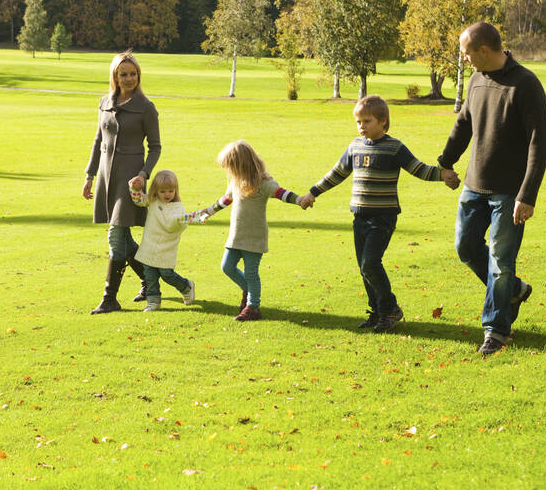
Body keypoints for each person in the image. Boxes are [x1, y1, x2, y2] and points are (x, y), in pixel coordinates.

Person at [298, 95, 460, 332]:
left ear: (383, 121)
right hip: (360, 217)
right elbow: (336, 173)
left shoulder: (394, 147)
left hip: (383, 217)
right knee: (364, 268)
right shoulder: (354, 146)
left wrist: (442, 175)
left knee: (371, 263)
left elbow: (419, 169)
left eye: (367, 121)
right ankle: (377, 312)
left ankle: (390, 310)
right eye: (358, 122)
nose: (361, 126)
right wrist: (313, 192)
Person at [438, 22, 546, 355]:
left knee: (501, 262)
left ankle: (496, 330)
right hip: (474, 186)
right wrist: (446, 160)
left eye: (466, 53)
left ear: (483, 51)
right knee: (465, 246)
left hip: (508, 193)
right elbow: (463, 124)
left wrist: (527, 195)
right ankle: (514, 290)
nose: (465, 60)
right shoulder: (476, 80)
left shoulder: (525, 84)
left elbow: (539, 143)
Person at [83, 51, 161, 314]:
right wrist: (89, 176)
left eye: (133, 73)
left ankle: (109, 298)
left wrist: (143, 174)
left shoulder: (146, 107)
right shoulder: (105, 102)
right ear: (115, 76)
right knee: (124, 239)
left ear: (139, 75)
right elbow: (98, 142)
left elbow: (156, 148)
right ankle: (151, 283)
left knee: (116, 237)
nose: (129, 78)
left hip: (130, 181)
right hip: (107, 178)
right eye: (123, 74)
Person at [199, 140, 304, 321]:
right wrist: (208, 212)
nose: (229, 172)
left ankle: (253, 307)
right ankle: (248, 292)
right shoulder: (236, 183)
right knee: (227, 267)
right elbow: (225, 200)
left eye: (230, 167)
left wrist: (300, 200)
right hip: (236, 236)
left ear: (240, 165)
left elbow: (281, 193)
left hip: (254, 237)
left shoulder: (263, 183)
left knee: (251, 272)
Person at [128, 170, 201, 312]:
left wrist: (181, 220)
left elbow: (174, 224)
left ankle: (186, 286)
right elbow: (138, 200)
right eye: (162, 191)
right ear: (156, 191)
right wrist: (134, 189)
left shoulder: (177, 207)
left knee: (167, 274)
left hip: (166, 248)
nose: (167, 194)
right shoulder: (152, 201)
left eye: (170, 191)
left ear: (175, 190)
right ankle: (153, 302)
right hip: (149, 246)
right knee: (149, 276)